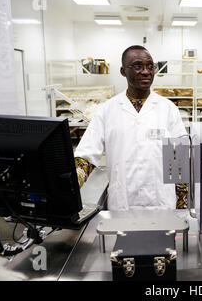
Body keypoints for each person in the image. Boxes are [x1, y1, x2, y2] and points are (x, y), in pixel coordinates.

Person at [74, 45, 187, 211]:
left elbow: (179, 158)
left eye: (150, 66)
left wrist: (182, 203)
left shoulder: (168, 109)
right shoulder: (107, 110)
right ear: (123, 71)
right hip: (122, 202)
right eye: (138, 66)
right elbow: (86, 157)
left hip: (162, 203)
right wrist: (68, 186)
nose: (146, 71)